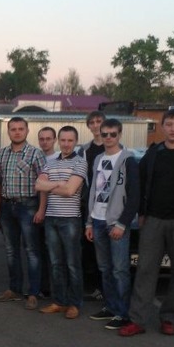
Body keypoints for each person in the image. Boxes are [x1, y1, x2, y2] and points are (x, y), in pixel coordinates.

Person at [120, 110, 174, 337]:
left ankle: (169, 318)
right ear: (162, 126)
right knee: (145, 270)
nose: (173, 128)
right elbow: (140, 183)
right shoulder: (154, 153)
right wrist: (141, 213)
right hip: (153, 220)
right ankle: (137, 320)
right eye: (169, 124)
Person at [85, 119, 139, 331]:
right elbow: (93, 190)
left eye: (113, 134)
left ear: (120, 135)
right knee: (105, 268)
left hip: (116, 223)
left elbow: (134, 196)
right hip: (97, 220)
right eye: (105, 134)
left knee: (120, 270)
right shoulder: (98, 159)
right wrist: (89, 222)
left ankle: (123, 313)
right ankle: (110, 306)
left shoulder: (128, 161)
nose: (108, 138)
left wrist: (122, 224)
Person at [35, 126, 87, 319]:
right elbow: (38, 185)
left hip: (70, 219)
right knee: (56, 263)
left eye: (70, 140)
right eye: (63, 140)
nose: (66, 144)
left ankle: (74, 303)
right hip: (51, 218)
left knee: (72, 264)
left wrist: (50, 186)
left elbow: (70, 191)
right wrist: (59, 184)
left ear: (76, 142)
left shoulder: (80, 162)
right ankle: (59, 301)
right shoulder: (50, 162)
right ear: (58, 141)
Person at [0, 117, 45, 310]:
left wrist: (41, 209)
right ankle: (14, 289)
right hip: (7, 207)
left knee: (31, 251)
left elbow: (44, 184)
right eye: (13, 129)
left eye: (20, 129)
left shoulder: (35, 154)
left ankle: (33, 293)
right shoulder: (2, 154)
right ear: (8, 131)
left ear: (27, 130)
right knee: (10, 250)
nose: (17, 132)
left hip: (28, 206)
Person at [80, 110, 106, 302]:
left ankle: (105, 288)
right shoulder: (84, 150)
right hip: (88, 205)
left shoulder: (116, 148)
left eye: (99, 121)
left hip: (108, 206)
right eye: (93, 122)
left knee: (104, 250)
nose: (96, 125)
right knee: (88, 248)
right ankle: (92, 286)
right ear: (89, 126)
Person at [35, 126, 58, 297]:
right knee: (39, 251)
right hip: (37, 209)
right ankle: (44, 287)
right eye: (41, 139)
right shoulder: (36, 157)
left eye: (48, 138)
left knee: (55, 252)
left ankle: (57, 289)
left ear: (54, 140)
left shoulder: (59, 158)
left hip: (56, 211)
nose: (45, 142)